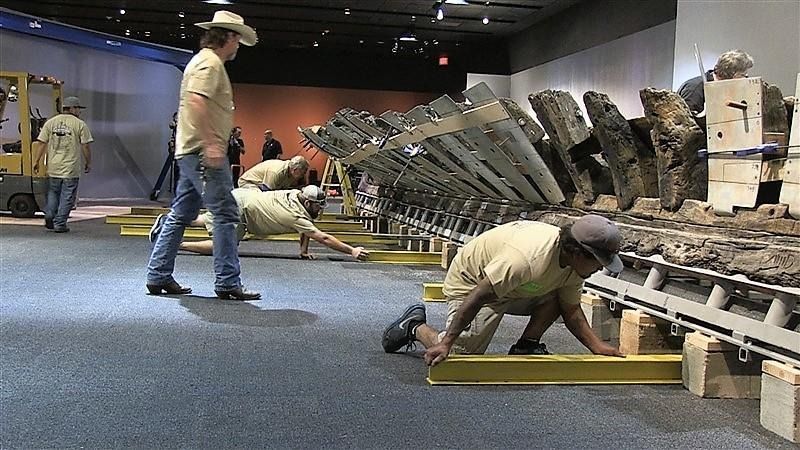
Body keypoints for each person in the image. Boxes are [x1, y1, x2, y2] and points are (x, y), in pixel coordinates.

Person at [382, 215, 625, 366]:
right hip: (472, 281)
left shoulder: (574, 267)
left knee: (558, 297)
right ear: (577, 252)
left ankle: (527, 345)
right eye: (598, 262)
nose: (600, 269)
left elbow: (571, 310)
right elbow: (478, 296)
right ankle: (414, 326)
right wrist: (446, 343)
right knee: (460, 353)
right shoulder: (525, 260)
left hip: (514, 286)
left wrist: (597, 347)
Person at [146, 10, 260, 300]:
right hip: (203, 152)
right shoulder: (210, 64)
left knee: (182, 212)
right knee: (226, 213)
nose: (238, 46)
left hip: (191, 151)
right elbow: (198, 101)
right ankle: (227, 281)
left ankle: (158, 274)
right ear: (229, 37)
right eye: (237, 40)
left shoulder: (202, 61)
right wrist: (211, 144)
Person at [149, 185, 369, 262]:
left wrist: (303, 251)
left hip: (241, 197)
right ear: (309, 202)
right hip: (241, 211)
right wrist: (352, 251)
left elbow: (306, 227)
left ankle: (168, 222)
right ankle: (172, 244)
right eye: (318, 206)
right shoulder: (296, 215)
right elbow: (322, 237)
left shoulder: (295, 194)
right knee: (223, 247)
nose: (320, 210)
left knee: (205, 219)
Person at [32, 96, 93, 233]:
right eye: (78, 109)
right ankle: (60, 223)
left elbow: (41, 143)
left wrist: (36, 161)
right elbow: (85, 146)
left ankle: (49, 215)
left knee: (53, 193)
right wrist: (88, 162)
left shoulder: (50, 122)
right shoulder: (80, 124)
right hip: (70, 169)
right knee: (67, 196)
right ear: (72, 108)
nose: (79, 112)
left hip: (54, 167)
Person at [677, 49, 754, 115]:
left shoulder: (723, 89)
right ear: (732, 73)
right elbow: (684, 123)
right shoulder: (694, 90)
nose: (745, 78)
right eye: (743, 75)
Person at [238, 155, 308, 190]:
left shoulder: (292, 173)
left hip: (263, 185)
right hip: (248, 182)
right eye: (302, 173)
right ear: (295, 170)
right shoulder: (276, 172)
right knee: (260, 199)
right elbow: (268, 193)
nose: (303, 175)